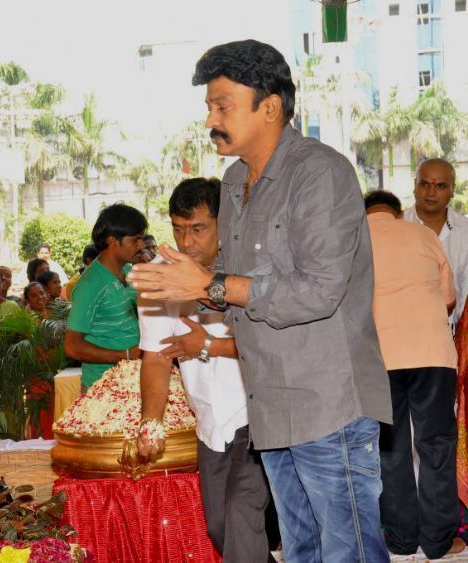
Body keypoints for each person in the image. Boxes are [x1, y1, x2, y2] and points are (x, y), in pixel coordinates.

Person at [127, 39, 392, 562]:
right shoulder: (233, 182)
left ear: (269, 107)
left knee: (349, 552)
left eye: (222, 106)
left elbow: (318, 290)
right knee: (300, 549)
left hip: (328, 403)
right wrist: (186, 284)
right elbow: (237, 284)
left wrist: (208, 286)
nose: (211, 120)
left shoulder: (319, 172)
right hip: (269, 403)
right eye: (209, 107)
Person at [137, 177, 273, 562]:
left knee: (241, 516)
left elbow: (276, 345)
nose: (187, 242)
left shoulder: (251, 266)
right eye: (178, 229)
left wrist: (210, 345)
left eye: (198, 229)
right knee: (220, 527)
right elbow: (156, 356)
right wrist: (151, 421)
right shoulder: (158, 277)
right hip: (210, 421)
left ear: (223, 223)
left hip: (258, 413)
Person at [365, 191, 463, 558]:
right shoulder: (423, 234)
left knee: (391, 450)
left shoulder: (354, 239)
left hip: (381, 358)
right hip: (433, 354)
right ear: (396, 213)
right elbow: (449, 297)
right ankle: (438, 541)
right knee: (436, 445)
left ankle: (401, 539)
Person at [64, 203, 147, 390]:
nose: (141, 245)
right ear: (112, 240)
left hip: (133, 380)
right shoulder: (89, 285)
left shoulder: (129, 270)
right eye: (136, 240)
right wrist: (125, 355)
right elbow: (72, 346)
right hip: (103, 387)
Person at [404, 158, 468, 328]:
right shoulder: (397, 226)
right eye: (424, 184)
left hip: (454, 333)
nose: (431, 192)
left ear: (453, 189)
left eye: (440, 186)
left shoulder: (465, 232)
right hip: (403, 331)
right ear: (415, 185)